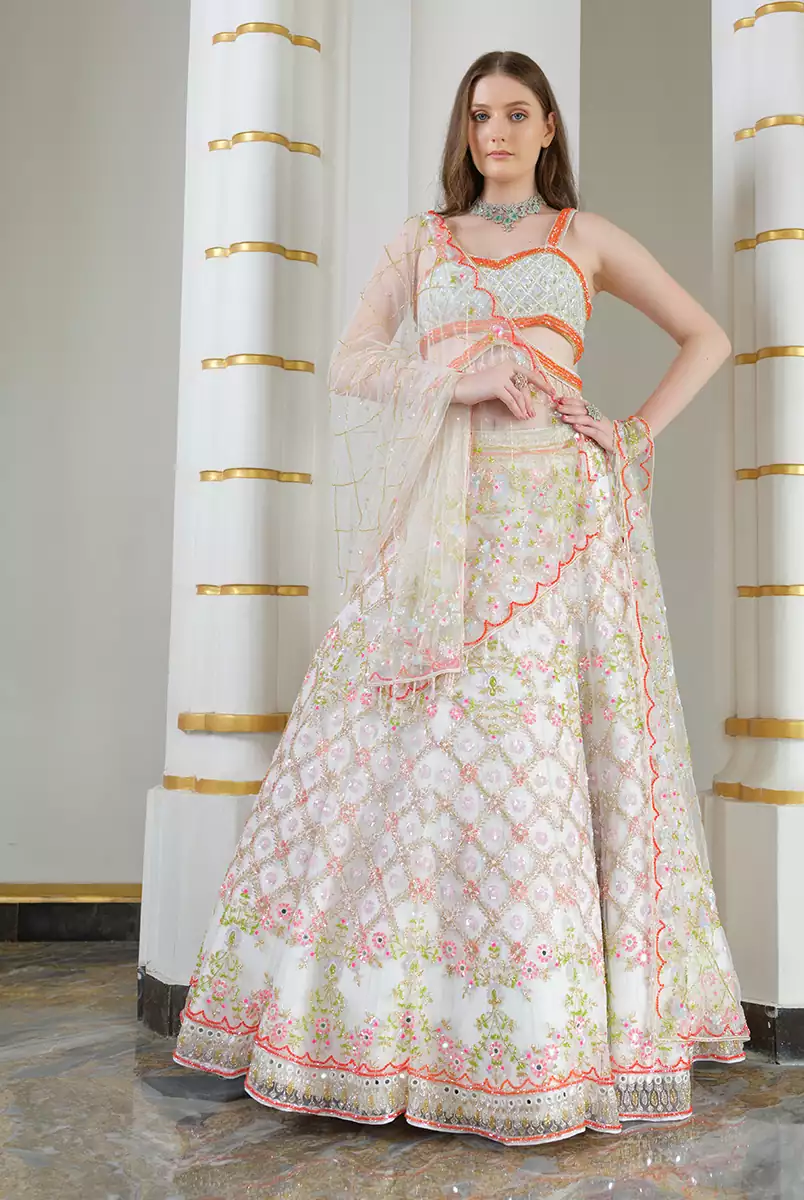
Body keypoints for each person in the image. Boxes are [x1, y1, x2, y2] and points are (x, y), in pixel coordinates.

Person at [173, 48, 749, 1146]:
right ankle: (384, 1030)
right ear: (465, 128)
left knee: (534, 760)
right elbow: (351, 361)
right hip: (442, 526)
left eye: (516, 113)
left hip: (557, 527)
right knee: (409, 756)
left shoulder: (585, 236)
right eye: (480, 114)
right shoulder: (421, 241)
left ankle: (539, 1042)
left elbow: (707, 337)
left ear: (546, 127)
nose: (496, 131)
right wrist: (459, 378)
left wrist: (628, 432)